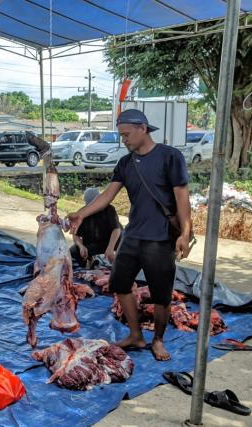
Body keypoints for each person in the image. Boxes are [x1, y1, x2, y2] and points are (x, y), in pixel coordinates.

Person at [67, 109, 193, 361]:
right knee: (119, 284)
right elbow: (107, 195)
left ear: (142, 129)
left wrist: (185, 231)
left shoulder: (170, 157)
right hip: (133, 235)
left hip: (160, 238)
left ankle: (157, 340)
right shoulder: (125, 163)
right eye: (121, 135)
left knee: (161, 294)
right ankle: (136, 334)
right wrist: (81, 213)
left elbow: (182, 196)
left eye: (126, 134)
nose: (123, 140)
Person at [70, 187, 121, 267]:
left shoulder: (109, 209)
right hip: (94, 243)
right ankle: (87, 265)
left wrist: (110, 248)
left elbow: (116, 230)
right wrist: (81, 246)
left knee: (120, 254)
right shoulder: (82, 213)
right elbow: (75, 235)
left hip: (111, 241)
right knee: (73, 252)